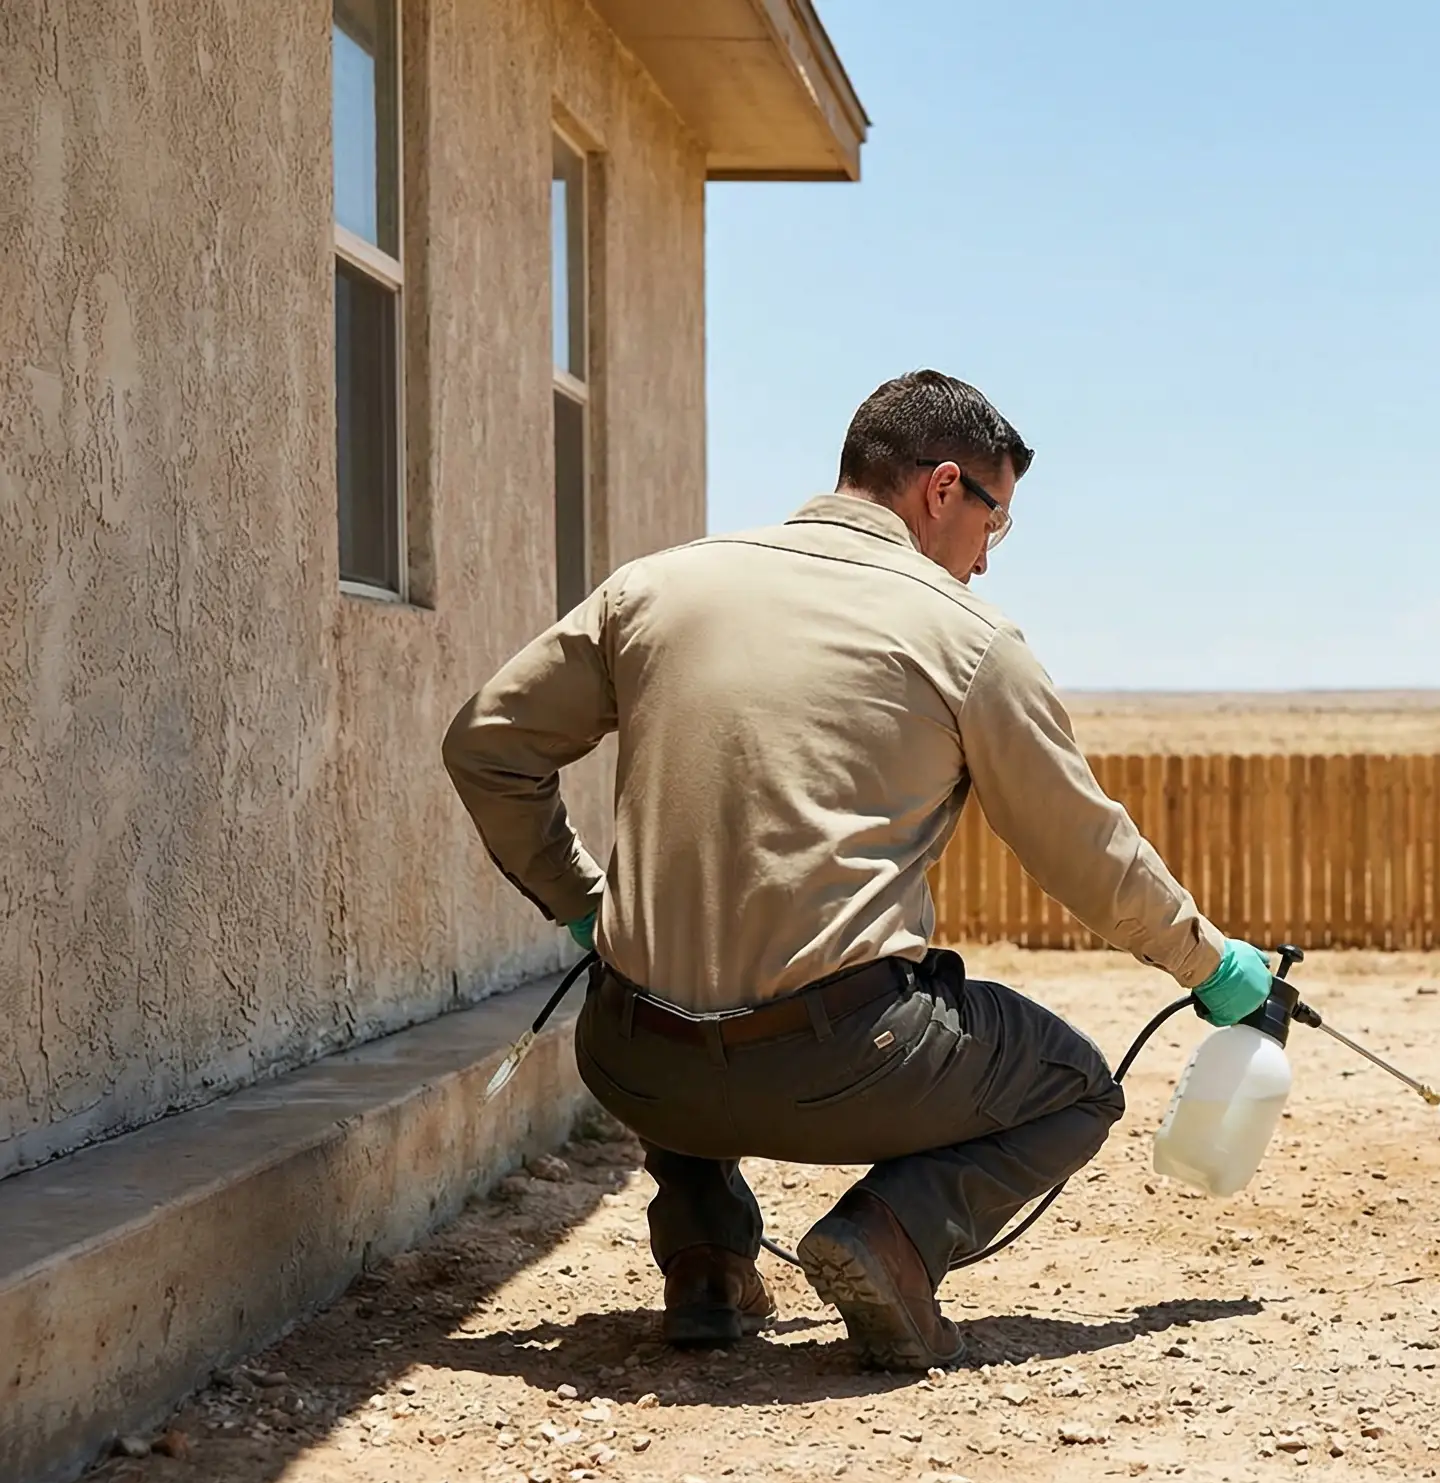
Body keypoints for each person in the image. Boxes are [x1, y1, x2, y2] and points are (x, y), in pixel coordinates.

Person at [441, 369, 1271, 1369]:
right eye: (994, 522)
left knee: (686, 947)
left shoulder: (656, 589)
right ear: (943, 489)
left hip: (634, 1062)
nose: (986, 559)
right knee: (1076, 1088)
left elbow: (487, 743)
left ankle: (704, 1259)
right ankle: (892, 1236)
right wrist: (1209, 963)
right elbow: (1083, 851)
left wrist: (584, 908)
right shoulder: (966, 640)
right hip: (839, 1072)